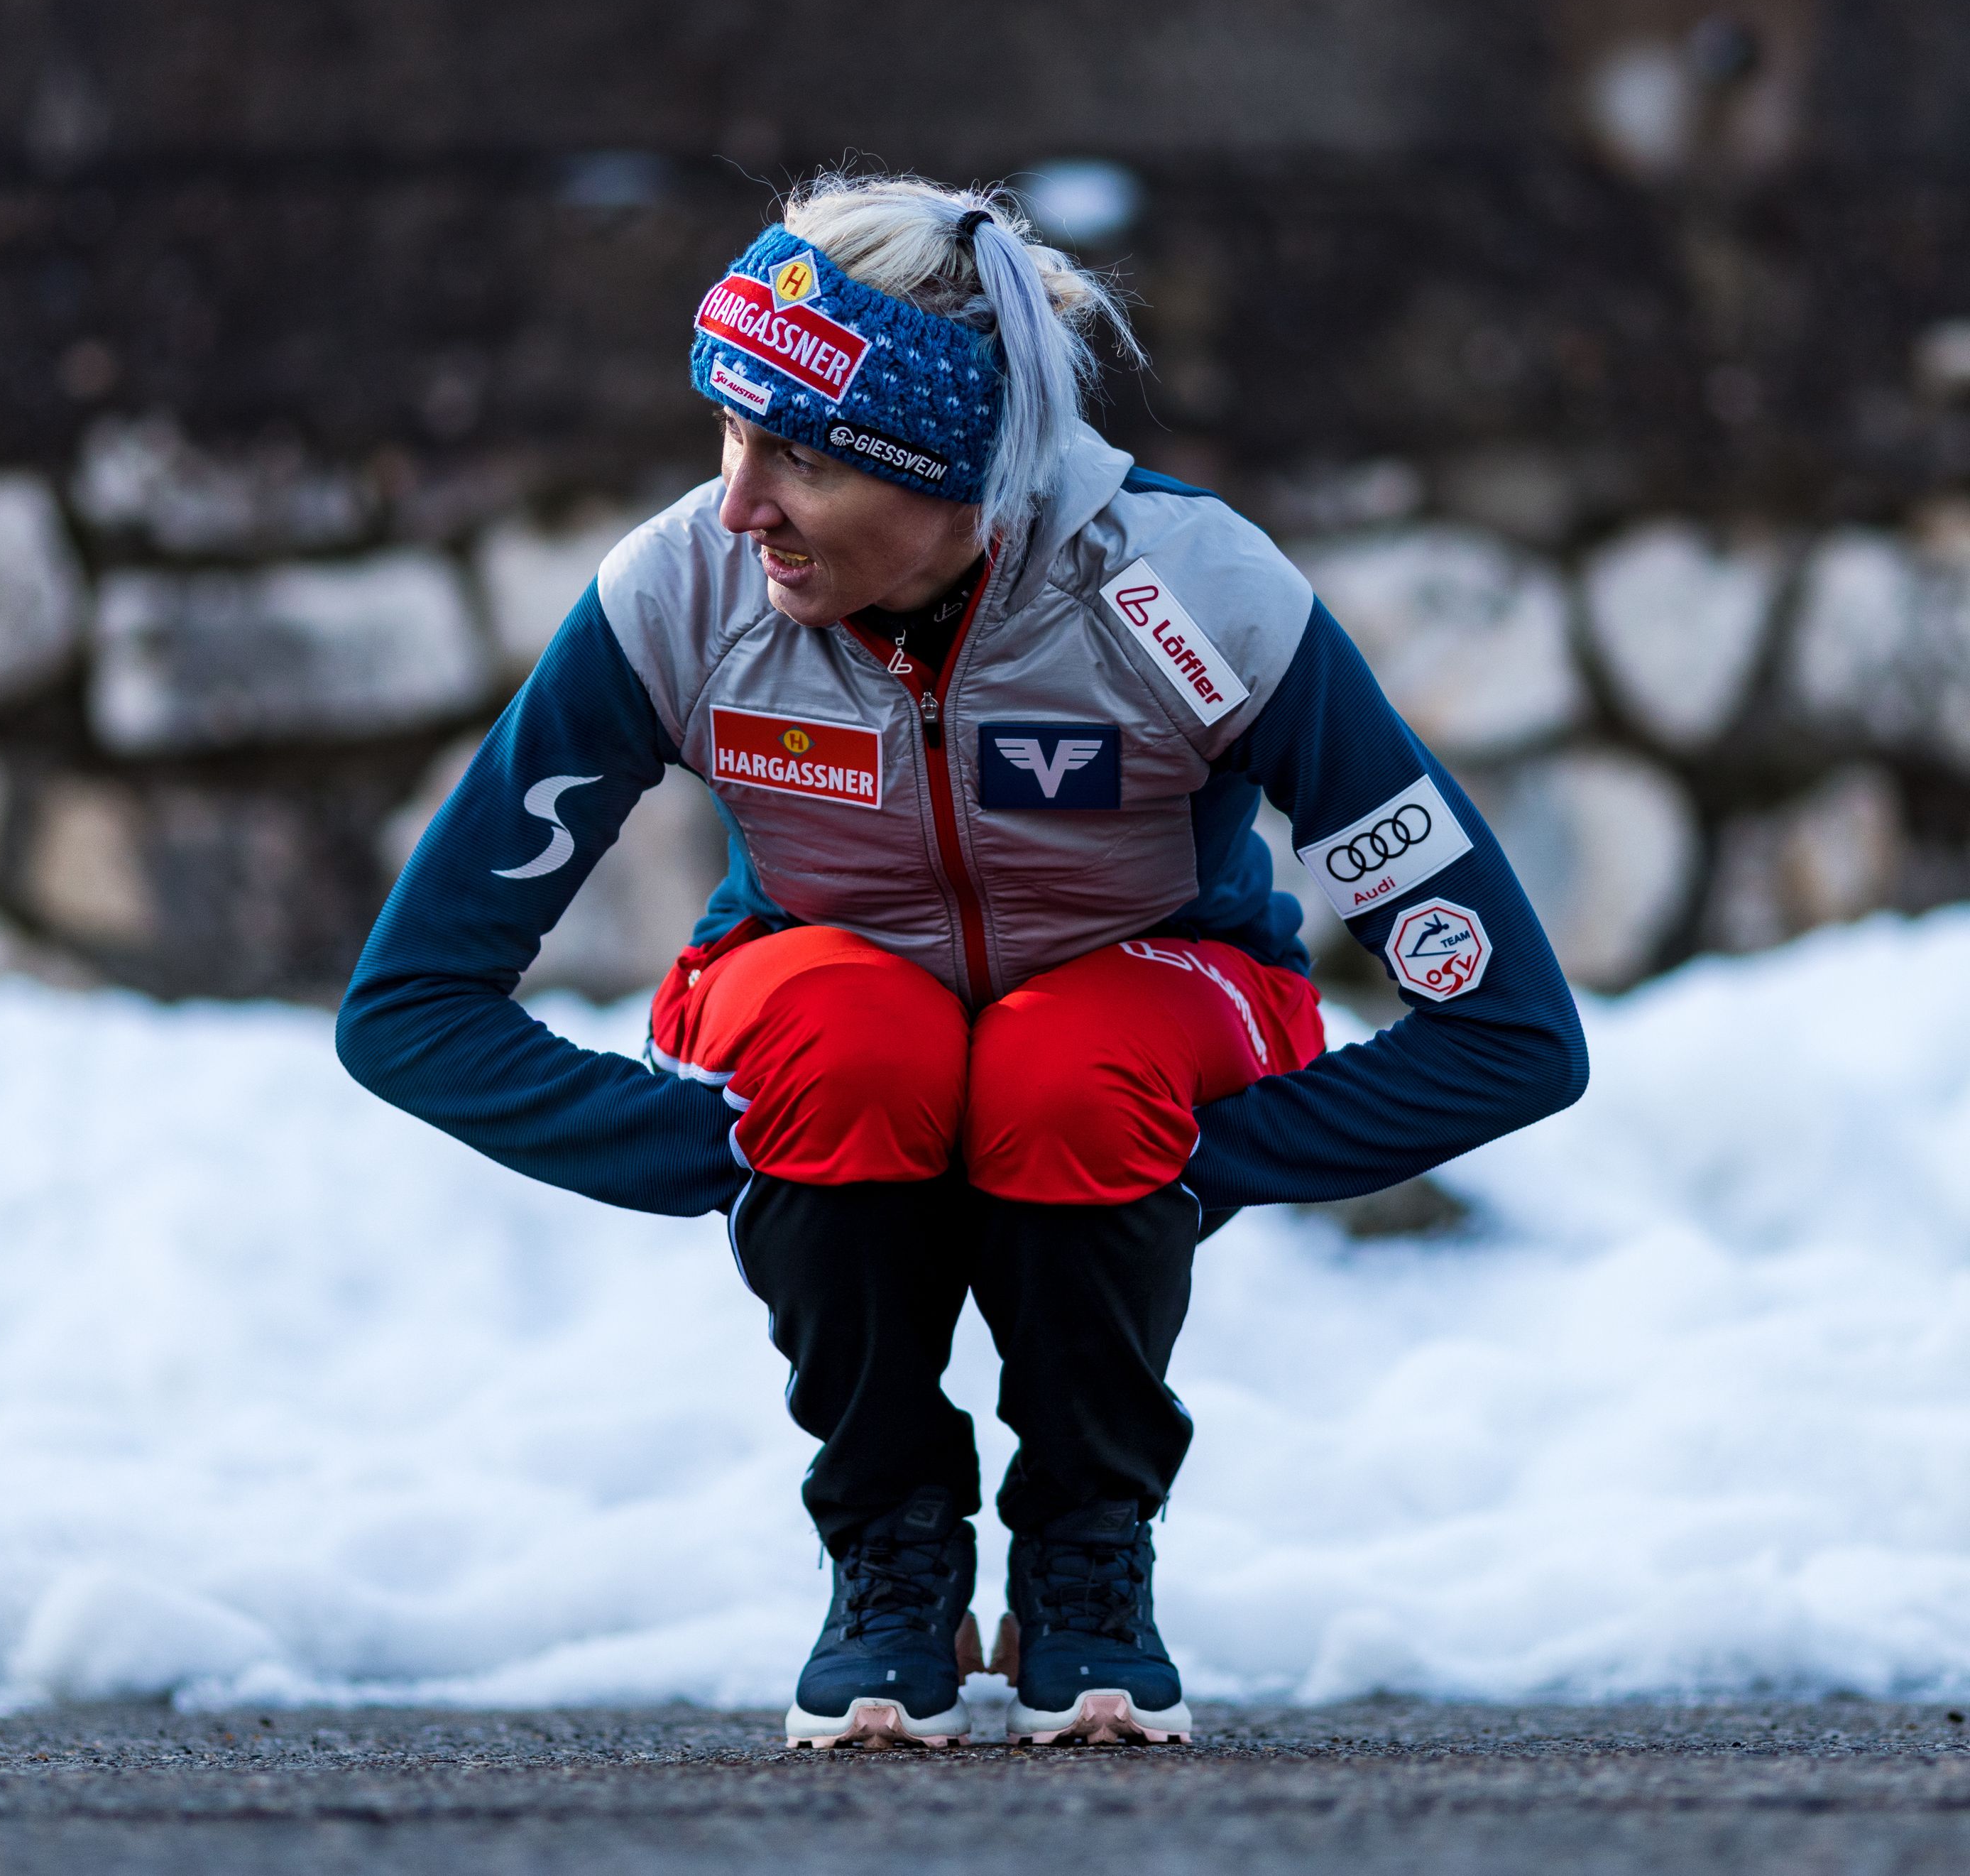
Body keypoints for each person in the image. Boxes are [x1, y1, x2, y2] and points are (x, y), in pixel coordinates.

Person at [335, 172, 1587, 1749]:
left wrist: (1208, 1156)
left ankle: (1087, 1549)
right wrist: (703, 1146)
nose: (738, 503)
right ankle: (887, 1549)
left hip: (1151, 1004)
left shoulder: (1192, 592)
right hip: (821, 994)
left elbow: (1511, 1031)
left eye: (797, 452)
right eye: (729, 433)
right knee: (854, 1039)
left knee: (1071, 1065)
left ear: (953, 471)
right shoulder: (679, 590)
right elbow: (408, 1007)